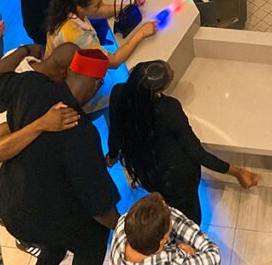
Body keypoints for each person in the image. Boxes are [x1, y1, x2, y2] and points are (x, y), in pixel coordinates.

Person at [0, 47, 120, 265]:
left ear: (68, 71)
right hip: (38, 214)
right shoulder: (80, 131)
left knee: (55, 228)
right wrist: (125, 229)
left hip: (8, 203)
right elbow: (99, 209)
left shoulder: (29, 83)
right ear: (97, 84)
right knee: (93, 237)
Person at [108, 60, 258, 225]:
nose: (171, 69)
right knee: (190, 217)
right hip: (176, 178)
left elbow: (115, 129)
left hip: (147, 172)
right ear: (158, 90)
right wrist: (236, 171)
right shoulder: (168, 108)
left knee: (166, 202)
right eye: (168, 73)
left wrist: (113, 154)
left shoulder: (118, 93)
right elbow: (197, 153)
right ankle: (189, 241)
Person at [0, 42, 76, 178]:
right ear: (65, 72)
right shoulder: (29, 95)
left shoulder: (17, 57)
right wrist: (43, 124)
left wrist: (25, 49)